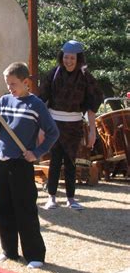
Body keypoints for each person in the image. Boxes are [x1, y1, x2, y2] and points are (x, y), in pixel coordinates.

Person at [0, 62, 59, 269]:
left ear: (26, 82)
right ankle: (9, 251)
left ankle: (35, 255)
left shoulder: (36, 105)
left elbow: (53, 133)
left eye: (13, 84)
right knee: (2, 208)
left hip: (21, 162)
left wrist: (36, 153)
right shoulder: (4, 101)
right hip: (0, 158)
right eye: (7, 84)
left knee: (24, 207)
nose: (10, 88)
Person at [39, 40, 103, 210]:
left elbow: (92, 104)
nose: (69, 61)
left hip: (74, 124)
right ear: (62, 57)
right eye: (66, 57)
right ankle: (51, 197)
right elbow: (41, 101)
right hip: (54, 123)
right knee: (54, 162)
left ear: (78, 59)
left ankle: (71, 198)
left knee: (71, 162)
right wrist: (40, 128)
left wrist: (92, 132)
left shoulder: (85, 77)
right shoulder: (53, 74)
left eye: (72, 58)